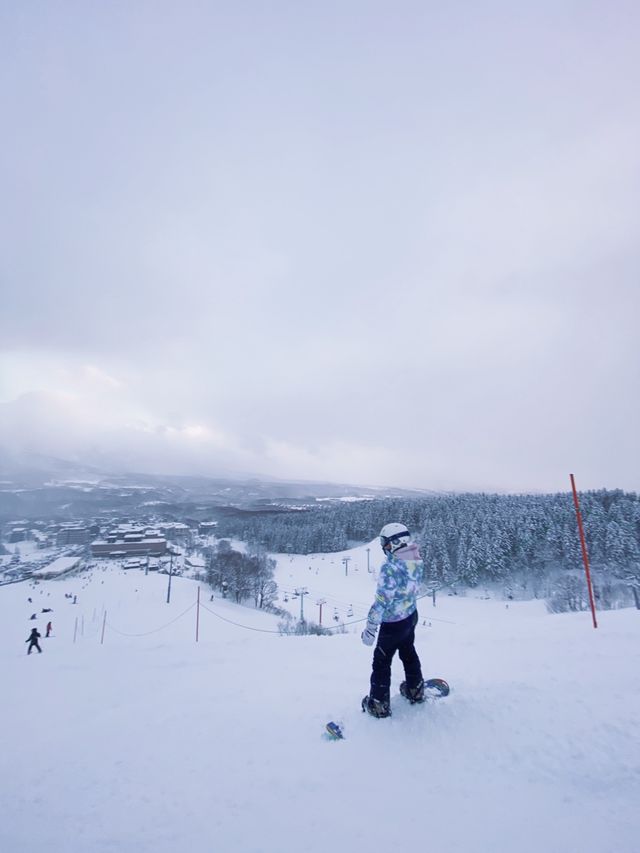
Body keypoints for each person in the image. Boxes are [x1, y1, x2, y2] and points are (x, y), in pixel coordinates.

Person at [361, 523, 425, 718]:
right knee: (408, 651)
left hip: (392, 624)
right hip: (410, 616)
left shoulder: (390, 568)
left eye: (386, 543)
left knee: (381, 661)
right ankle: (415, 690)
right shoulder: (415, 557)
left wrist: (371, 627)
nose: (384, 547)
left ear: (397, 542)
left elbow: (381, 601)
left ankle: (379, 704)